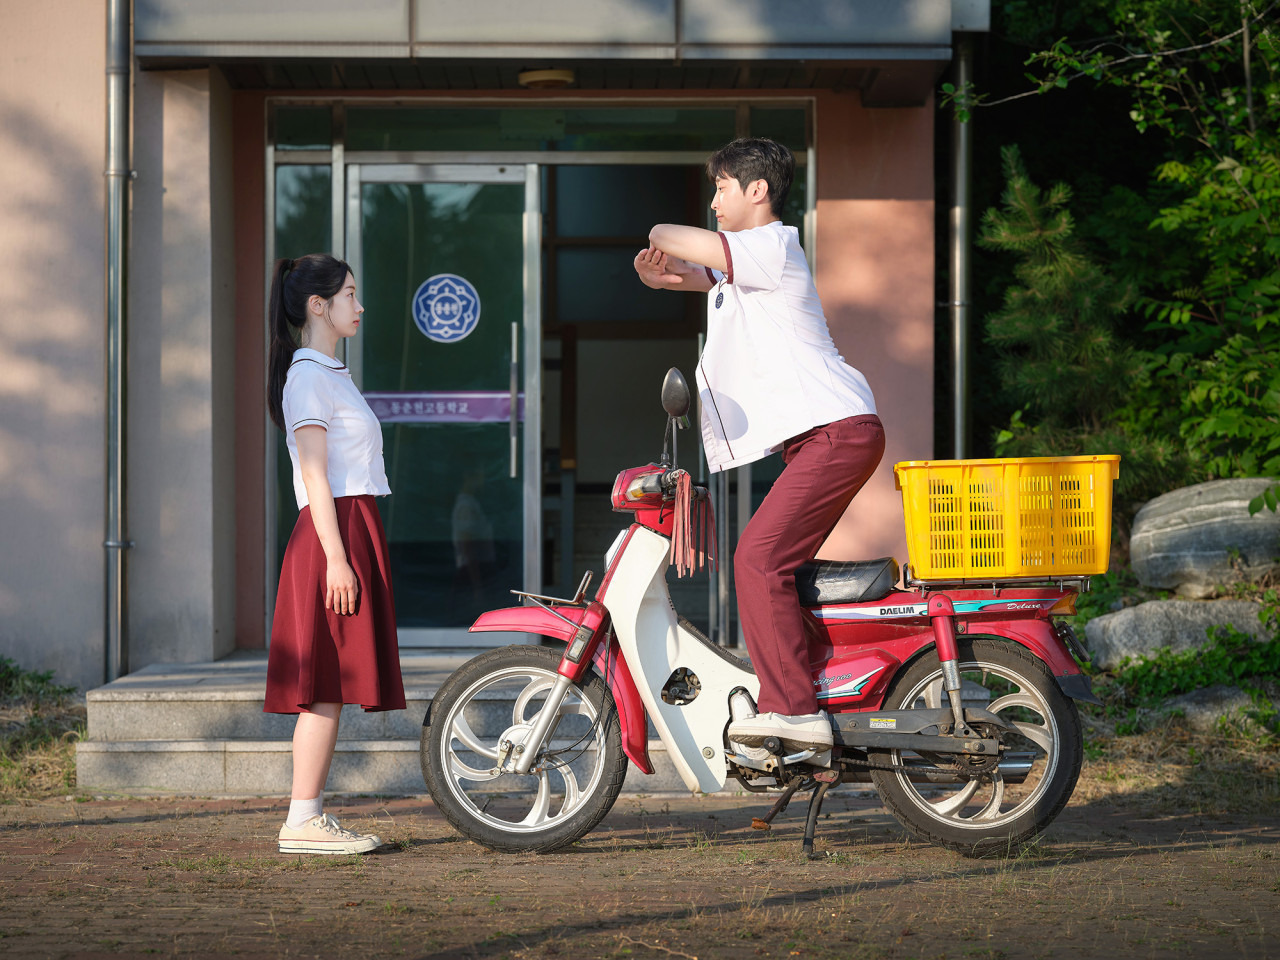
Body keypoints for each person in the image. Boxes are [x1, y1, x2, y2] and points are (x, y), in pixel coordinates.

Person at [634, 137, 884, 752]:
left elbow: (685, 245)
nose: (714, 201)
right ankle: (823, 685)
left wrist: (658, 231)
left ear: (757, 190)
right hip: (826, 436)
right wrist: (664, 280)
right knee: (779, 566)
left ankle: (793, 712)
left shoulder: (772, 244)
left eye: (721, 187)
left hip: (836, 432)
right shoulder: (748, 263)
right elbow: (702, 275)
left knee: (758, 560)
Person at [264, 254, 405, 854]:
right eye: (350, 293)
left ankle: (306, 815)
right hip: (332, 535)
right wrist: (339, 559)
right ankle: (302, 819)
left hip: (347, 529)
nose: (360, 304)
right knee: (324, 683)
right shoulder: (308, 378)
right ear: (317, 306)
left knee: (330, 685)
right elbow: (315, 477)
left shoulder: (328, 374)